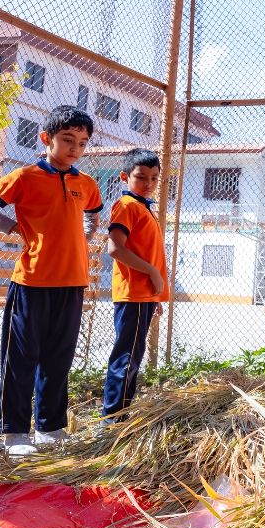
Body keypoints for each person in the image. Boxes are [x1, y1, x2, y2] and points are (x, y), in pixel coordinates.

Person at [0, 105, 103, 457]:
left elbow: (93, 216)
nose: (75, 148)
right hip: (32, 281)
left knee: (59, 358)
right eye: (67, 139)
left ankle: (50, 427)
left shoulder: (86, 184)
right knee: (20, 358)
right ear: (46, 138)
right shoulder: (24, 177)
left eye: (82, 143)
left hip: (73, 282)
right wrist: (14, 228)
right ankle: (14, 433)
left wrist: (82, 238)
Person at [102, 148, 168, 421]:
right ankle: (112, 420)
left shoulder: (143, 207)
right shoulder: (127, 205)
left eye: (154, 178)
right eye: (141, 177)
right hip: (133, 294)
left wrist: (156, 297)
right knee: (126, 358)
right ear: (124, 177)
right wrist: (152, 273)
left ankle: (121, 416)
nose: (148, 183)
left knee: (132, 357)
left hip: (144, 296)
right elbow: (115, 248)